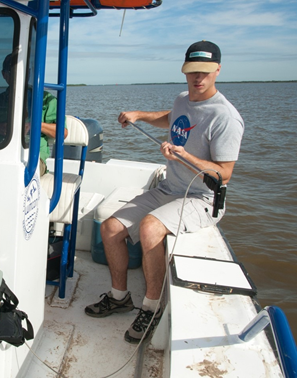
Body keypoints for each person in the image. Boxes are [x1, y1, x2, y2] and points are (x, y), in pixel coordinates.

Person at [85, 41, 244, 344]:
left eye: (206, 72)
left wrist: (184, 156)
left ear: (218, 71)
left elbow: (224, 173)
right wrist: (139, 115)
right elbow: (172, 118)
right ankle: (119, 297)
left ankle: (151, 307)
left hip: (201, 198)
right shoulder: (183, 99)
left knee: (149, 228)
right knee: (110, 228)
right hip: (170, 188)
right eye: (192, 72)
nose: (198, 78)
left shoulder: (226, 117)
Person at [0, 53, 67, 175]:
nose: (20, 75)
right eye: (13, 72)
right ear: (4, 75)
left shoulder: (47, 100)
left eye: (24, 71)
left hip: (33, 159)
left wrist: (35, 125)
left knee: (13, 174)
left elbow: (62, 133)